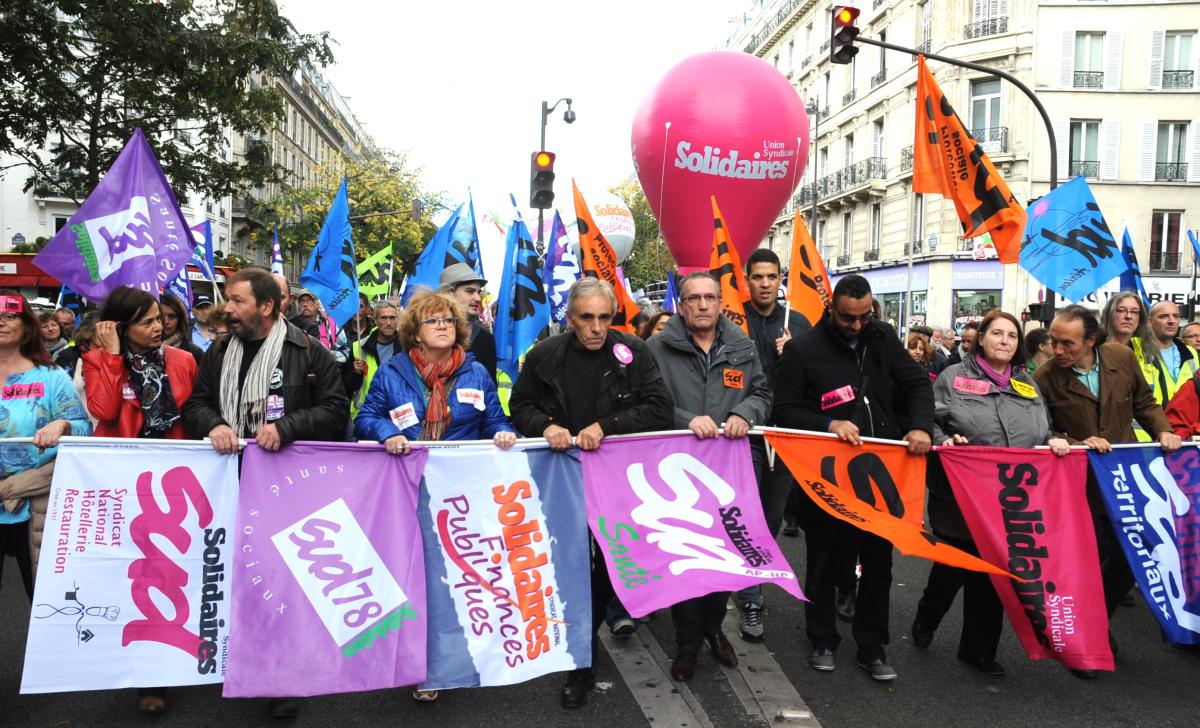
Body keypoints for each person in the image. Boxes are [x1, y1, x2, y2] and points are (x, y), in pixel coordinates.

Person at [182, 268, 348, 719]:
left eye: (236, 301)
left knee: (281, 580)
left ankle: (282, 676)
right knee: (236, 573)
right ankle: (240, 660)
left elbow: (335, 410)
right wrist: (214, 424)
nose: (227, 309)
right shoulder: (218, 350)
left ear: (268, 306)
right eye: (227, 301)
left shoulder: (310, 352)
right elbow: (195, 404)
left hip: (285, 484)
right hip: (229, 480)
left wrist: (286, 427)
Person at [510, 277, 673, 709]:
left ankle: (591, 629)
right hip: (561, 477)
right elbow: (519, 407)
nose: (597, 327)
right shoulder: (545, 356)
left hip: (617, 477)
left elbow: (658, 408)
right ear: (570, 319)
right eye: (587, 318)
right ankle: (582, 662)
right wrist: (546, 426)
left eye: (605, 317)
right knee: (571, 565)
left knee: (611, 562)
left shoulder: (632, 352)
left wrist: (609, 425)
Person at [772, 274, 934, 682]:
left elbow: (916, 386)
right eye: (848, 318)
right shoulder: (802, 350)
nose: (857, 325)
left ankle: (872, 646)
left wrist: (920, 427)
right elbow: (784, 411)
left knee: (878, 565)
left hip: (880, 474)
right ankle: (823, 639)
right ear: (832, 309)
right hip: (826, 476)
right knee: (825, 561)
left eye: (865, 317)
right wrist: (827, 423)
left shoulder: (882, 337)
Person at [354, 290, 513, 701]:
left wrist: (501, 430)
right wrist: (387, 432)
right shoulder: (392, 373)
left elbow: (494, 417)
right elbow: (365, 418)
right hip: (407, 490)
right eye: (433, 321)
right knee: (415, 578)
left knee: (455, 578)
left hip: (461, 492)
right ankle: (416, 661)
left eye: (448, 321)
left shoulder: (475, 372)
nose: (443, 326)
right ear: (415, 333)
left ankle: (447, 660)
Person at [914, 310, 1070, 677]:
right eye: (997, 333)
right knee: (954, 565)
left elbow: (1042, 430)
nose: (1005, 341)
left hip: (1008, 498)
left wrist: (1053, 442)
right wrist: (944, 440)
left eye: (1012, 336)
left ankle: (978, 649)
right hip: (960, 494)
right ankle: (928, 616)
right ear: (982, 338)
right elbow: (929, 422)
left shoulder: (1028, 385)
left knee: (993, 572)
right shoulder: (954, 377)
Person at [1033, 304, 1181, 678]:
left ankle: (1098, 619)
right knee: (1086, 563)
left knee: (1131, 558)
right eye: (1053, 341)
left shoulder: (1120, 357)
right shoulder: (1045, 376)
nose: (1057, 350)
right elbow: (1041, 430)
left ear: (1092, 341)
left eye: (1067, 343)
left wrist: (1162, 429)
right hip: (1078, 485)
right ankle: (1085, 641)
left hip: (1125, 481)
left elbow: (1145, 402)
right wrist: (1077, 440)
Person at [646, 272, 771, 679]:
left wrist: (743, 413)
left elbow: (763, 394)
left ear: (721, 303)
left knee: (724, 554)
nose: (702, 305)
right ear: (681, 305)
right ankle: (686, 644)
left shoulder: (743, 346)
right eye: (693, 298)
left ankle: (715, 630)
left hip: (728, 466)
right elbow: (646, 402)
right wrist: (685, 419)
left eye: (709, 298)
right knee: (687, 555)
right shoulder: (656, 348)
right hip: (675, 467)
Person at [82, 286, 198, 715]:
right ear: (119, 326)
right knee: (134, 578)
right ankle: (139, 670)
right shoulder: (97, 360)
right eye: (147, 321)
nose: (158, 327)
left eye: (160, 319)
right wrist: (111, 357)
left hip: (175, 486)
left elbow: (196, 415)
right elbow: (105, 411)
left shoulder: (184, 360)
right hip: (122, 483)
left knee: (170, 574)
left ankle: (162, 675)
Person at [737, 248, 810, 642]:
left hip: (783, 437)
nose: (765, 284)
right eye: (758, 277)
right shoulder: (733, 319)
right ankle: (749, 598)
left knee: (769, 519)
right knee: (741, 517)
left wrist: (795, 355)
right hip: (742, 432)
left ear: (780, 279)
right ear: (747, 280)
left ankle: (750, 581)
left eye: (772, 277)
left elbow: (816, 378)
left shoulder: (796, 323)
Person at [0, 292, 91, 604]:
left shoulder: (50, 376)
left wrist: (62, 425)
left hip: (37, 502)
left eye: (9, 316)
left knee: (43, 599)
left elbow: (83, 428)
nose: (1, 321)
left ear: (27, 326)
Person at [344, 301, 401, 420]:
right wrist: (356, 373)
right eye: (384, 318)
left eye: (392, 318)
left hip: (399, 414)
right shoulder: (359, 348)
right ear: (375, 320)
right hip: (366, 415)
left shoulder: (408, 347)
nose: (389, 323)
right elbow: (346, 387)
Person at [440, 263, 497, 380]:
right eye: (470, 291)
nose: (478, 298)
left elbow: (489, 389)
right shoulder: (420, 332)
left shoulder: (485, 338)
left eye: (478, 292)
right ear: (449, 293)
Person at [159, 293, 204, 365]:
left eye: (172, 316)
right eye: (160, 316)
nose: (166, 321)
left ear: (180, 320)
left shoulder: (195, 353)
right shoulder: (143, 349)